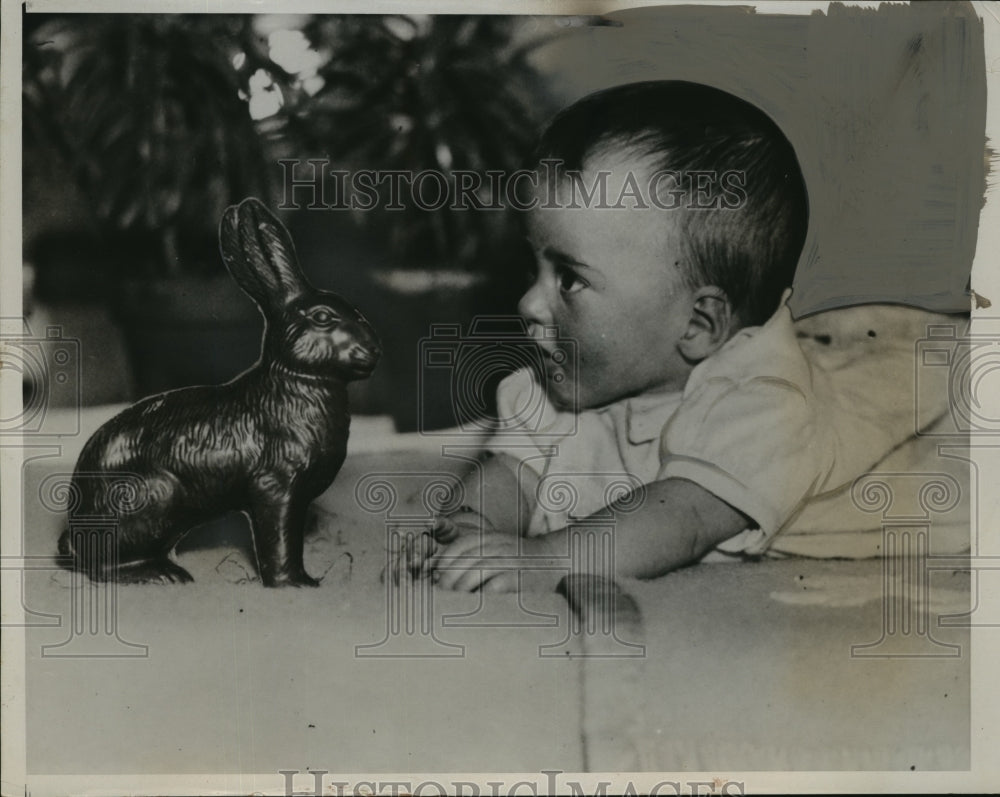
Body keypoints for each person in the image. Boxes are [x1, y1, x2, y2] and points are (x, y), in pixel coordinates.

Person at [397, 80, 962, 593]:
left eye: (569, 278)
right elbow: (512, 473)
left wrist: (544, 559)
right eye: (532, 268)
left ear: (698, 325)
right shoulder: (568, 378)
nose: (527, 303)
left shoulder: (763, 407)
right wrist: (468, 527)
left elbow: (681, 518)